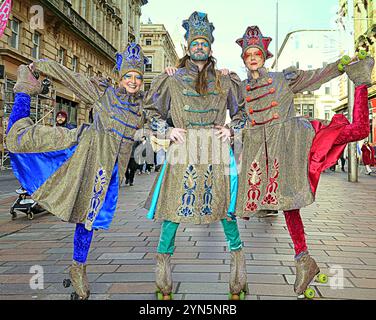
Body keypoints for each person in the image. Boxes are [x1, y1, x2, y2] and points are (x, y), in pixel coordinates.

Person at [233, 25, 374, 298]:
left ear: (265, 56)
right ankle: (304, 260)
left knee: (358, 131)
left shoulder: (282, 78)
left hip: (298, 141)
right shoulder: (239, 88)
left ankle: (361, 79)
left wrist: (342, 65)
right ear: (243, 58)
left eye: (257, 53)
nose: (252, 57)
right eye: (248, 53)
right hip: (269, 157)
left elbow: (315, 77)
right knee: (288, 206)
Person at [6, 42, 149, 300]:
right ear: (120, 77)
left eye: (137, 77)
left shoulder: (140, 109)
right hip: (79, 151)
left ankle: (77, 267)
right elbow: (71, 78)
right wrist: (39, 66)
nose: (133, 81)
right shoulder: (104, 94)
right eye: (128, 75)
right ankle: (24, 91)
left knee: (89, 218)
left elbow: (161, 115)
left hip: (106, 171)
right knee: (19, 140)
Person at [144, 11, 248, 300]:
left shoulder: (226, 80)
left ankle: (238, 273)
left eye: (204, 42)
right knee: (172, 212)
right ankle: (163, 277)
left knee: (226, 209)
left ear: (210, 48)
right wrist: (167, 129)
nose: (199, 46)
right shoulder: (172, 79)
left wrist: (230, 129)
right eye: (194, 42)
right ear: (187, 46)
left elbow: (243, 113)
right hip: (184, 151)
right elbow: (150, 111)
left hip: (216, 151)